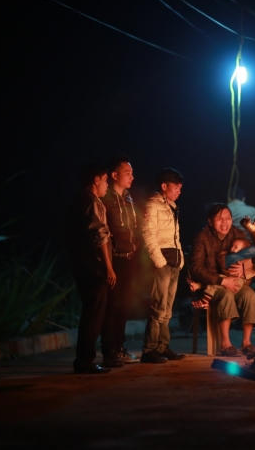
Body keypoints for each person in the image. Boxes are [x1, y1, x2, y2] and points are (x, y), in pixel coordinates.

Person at [190, 204, 255, 357]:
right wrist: (222, 281)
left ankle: (246, 343)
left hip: (234, 282)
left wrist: (244, 268)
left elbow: (251, 254)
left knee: (250, 296)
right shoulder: (202, 238)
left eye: (228, 218)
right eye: (220, 219)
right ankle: (225, 344)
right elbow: (196, 268)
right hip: (211, 284)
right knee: (226, 295)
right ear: (210, 221)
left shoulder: (237, 233)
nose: (225, 222)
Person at [69, 164, 116, 374]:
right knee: (94, 312)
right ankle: (85, 361)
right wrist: (109, 267)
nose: (107, 185)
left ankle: (84, 359)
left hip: (82, 264)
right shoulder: (91, 201)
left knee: (91, 310)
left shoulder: (79, 200)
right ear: (96, 180)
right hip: (93, 265)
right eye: (105, 180)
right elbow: (100, 235)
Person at [140, 167, 186, 363]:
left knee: (167, 308)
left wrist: (180, 258)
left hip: (173, 261)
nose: (179, 191)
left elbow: (175, 237)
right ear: (164, 186)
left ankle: (162, 346)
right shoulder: (153, 205)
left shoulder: (171, 206)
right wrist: (159, 261)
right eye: (176, 187)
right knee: (158, 306)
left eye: (180, 188)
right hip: (163, 261)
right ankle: (149, 350)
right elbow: (148, 234)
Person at [100, 157, 138, 366]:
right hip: (114, 258)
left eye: (132, 173)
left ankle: (119, 347)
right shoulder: (106, 198)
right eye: (127, 173)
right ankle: (109, 351)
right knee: (113, 305)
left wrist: (135, 244)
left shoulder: (128, 198)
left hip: (129, 258)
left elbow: (132, 226)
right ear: (114, 175)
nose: (132, 177)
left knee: (124, 305)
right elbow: (104, 231)